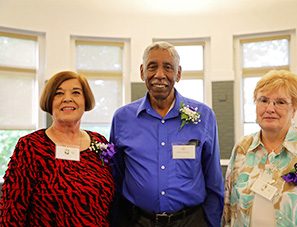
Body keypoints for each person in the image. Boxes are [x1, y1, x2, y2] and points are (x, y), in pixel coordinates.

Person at [110, 41, 224, 227]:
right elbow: (117, 174)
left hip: (190, 221)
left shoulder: (203, 116)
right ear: (142, 72)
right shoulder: (123, 118)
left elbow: (213, 179)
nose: (159, 75)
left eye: (168, 68)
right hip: (137, 220)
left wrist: (212, 222)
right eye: (152, 67)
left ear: (178, 74)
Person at [222, 70, 297, 226]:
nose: (270, 109)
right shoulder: (242, 148)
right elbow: (228, 209)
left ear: (294, 108)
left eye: (280, 102)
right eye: (263, 100)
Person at [0, 71, 115, 226]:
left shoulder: (100, 142)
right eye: (59, 93)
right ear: (49, 101)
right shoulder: (31, 146)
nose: (67, 98)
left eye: (76, 92)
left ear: (85, 100)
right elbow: (12, 212)